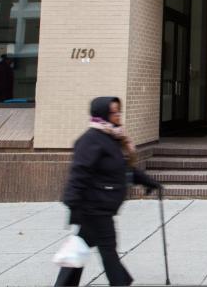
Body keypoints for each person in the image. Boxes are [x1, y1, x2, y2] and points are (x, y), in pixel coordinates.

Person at [55, 97, 162, 286]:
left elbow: (122, 168)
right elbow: (79, 173)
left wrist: (149, 182)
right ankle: (120, 282)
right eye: (114, 112)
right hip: (94, 206)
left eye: (118, 111)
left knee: (80, 247)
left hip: (100, 205)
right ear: (103, 114)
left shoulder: (111, 137)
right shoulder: (90, 140)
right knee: (108, 249)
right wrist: (73, 204)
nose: (118, 115)